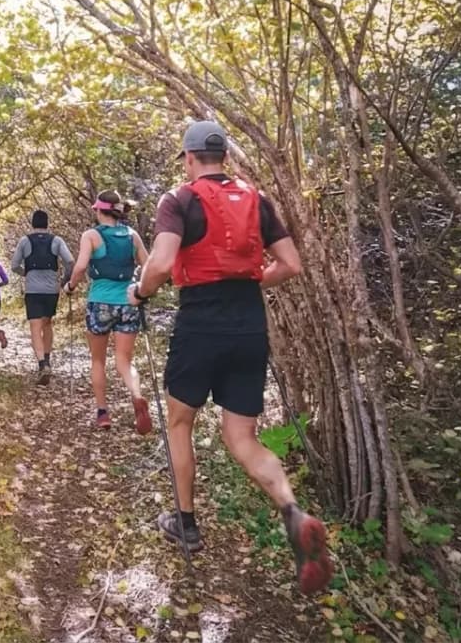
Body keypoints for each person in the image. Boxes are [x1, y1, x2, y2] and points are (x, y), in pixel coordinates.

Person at [128, 120, 333, 595]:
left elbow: (159, 263)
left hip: (201, 322)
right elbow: (292, 264)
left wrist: (140, 293)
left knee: (179, 422)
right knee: (242, 436)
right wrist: (246, 281)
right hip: (249, 323)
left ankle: (186, 524)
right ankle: (291, 511)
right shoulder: (257, 200)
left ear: (189, 157)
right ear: (225, 157)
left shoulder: (178, 200)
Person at [64, 191, 153, 433]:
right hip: (128, 302)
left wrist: (70, 286)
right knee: (124, 360)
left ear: (98, 210)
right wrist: (141, 291)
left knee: (98, 360)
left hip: (100, 302)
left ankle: (103, 412)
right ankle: (136, 395)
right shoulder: (132, 235)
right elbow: (149, 264)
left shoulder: (91, 236)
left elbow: (81, 266)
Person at [11, 210, 75, 384]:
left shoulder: (25, 241)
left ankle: (41, 365)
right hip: (51, 290)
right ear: (47, 224)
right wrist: (64, 280)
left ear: (32, 223)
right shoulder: (57, 241)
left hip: (33, 290)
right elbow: (70, 261)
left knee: (35, 326)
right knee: (47, 323)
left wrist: (27, 273)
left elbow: (14, 265)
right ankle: (47, 359)